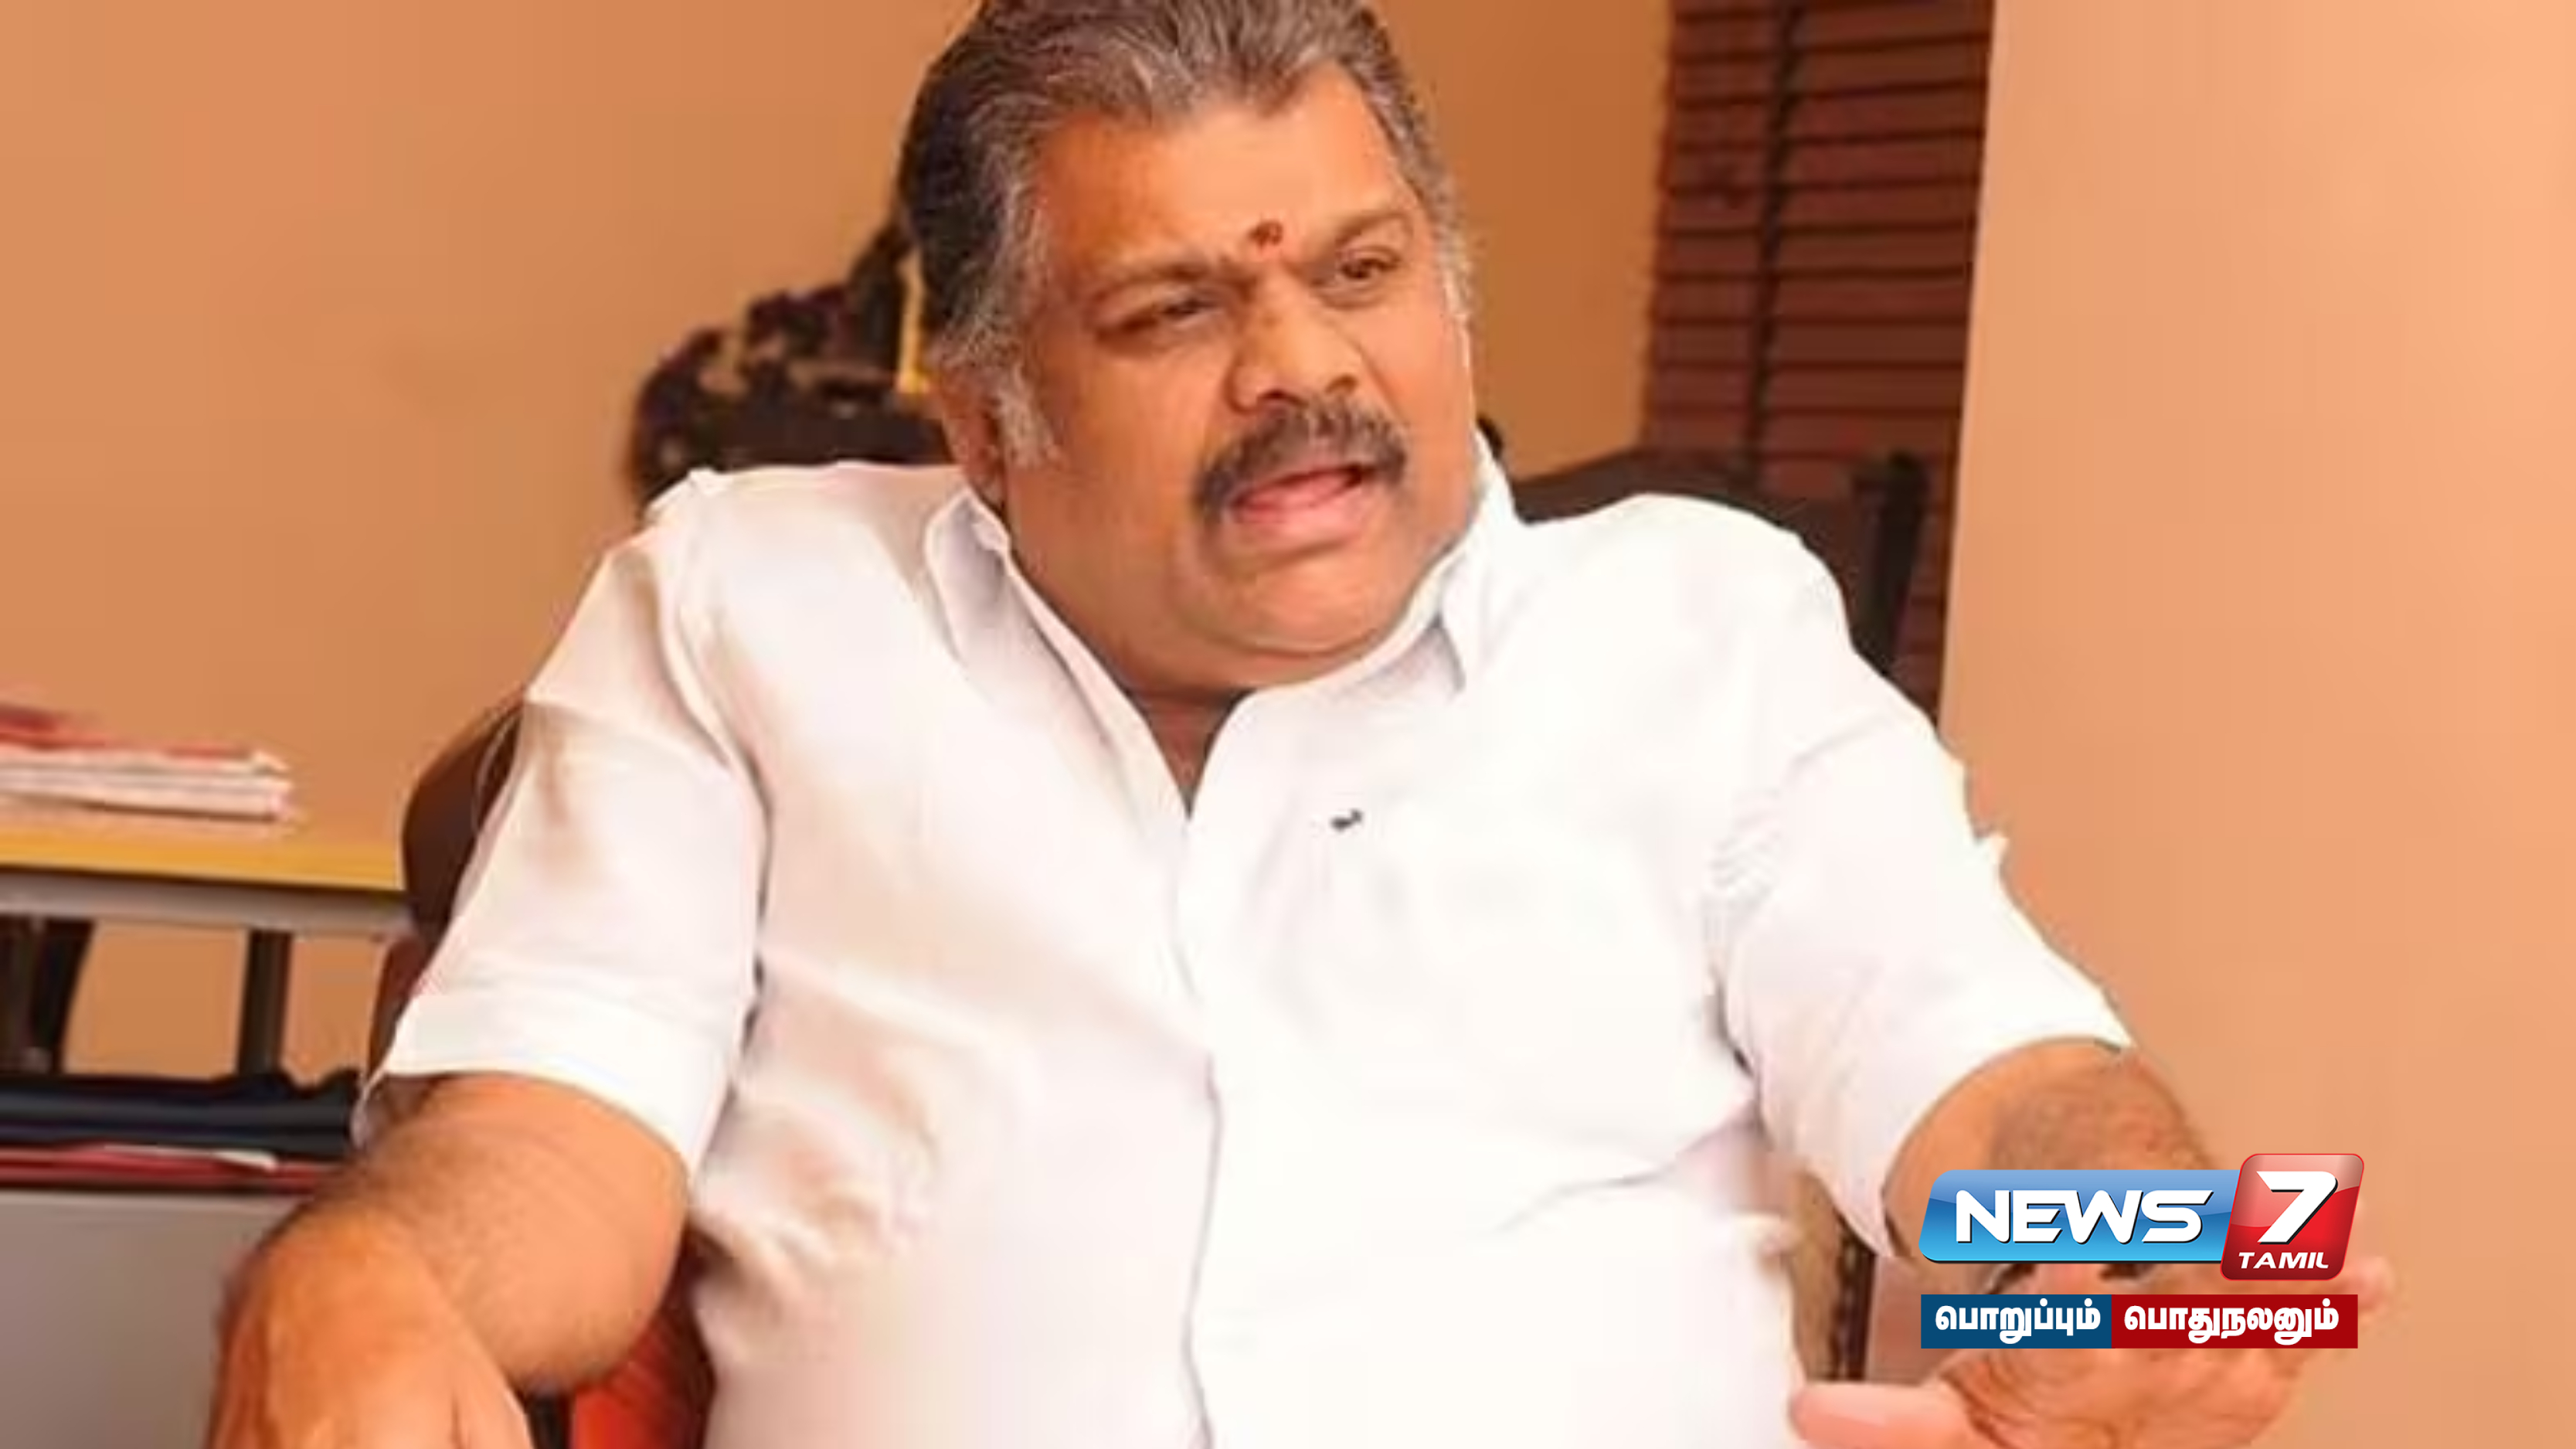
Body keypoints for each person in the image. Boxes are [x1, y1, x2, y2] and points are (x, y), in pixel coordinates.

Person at [209, 2, 2386, 1447]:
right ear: (986, 422)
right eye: (1176, 307)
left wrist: (2142, 1274)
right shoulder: (752, 606)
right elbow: (557, 1141)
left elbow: (1991, 1083)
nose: (1301, 370)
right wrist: (370, 1268)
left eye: (1359, 274)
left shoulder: (1702, 630)